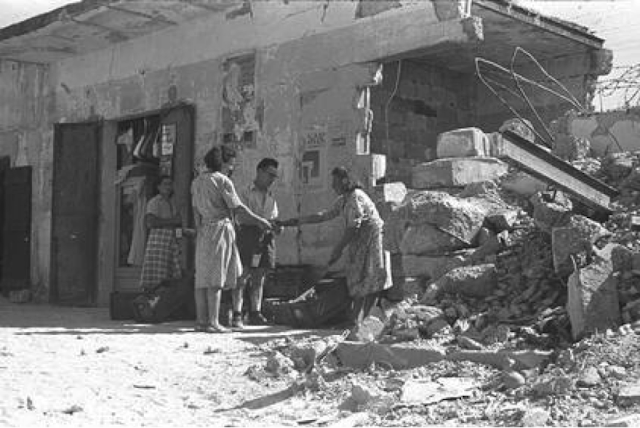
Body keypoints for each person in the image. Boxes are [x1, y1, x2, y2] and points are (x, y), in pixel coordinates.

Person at [279, 167, 392, 331]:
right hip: (360, 242)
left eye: (335, 182)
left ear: (345, 181)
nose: (333, 186)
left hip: (373, 241)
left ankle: (362, 321)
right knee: (359, 281)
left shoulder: (355, 197)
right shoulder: (344, 200)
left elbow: (353, 227)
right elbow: (325, 215)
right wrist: (294, 221)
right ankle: (357, 321)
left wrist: (338, 249)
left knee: (370, 282)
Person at [191, 146, 273, 333]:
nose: (232, 168)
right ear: (223, 163)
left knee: (202, 278)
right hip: (220, 229)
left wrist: (199, 229)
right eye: (231, 164)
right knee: (216, 277)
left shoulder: (196, 182)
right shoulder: (222, 180)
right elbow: (238, 207)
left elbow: (195, 209)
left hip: (204, 230)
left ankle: (201, 321)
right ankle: (213, 322)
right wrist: (260, 220)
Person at [236, 158, 281, 325]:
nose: (272, 179)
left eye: (274, 176)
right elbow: (241, 215)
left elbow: (273, 217)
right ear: (259, 171)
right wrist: (259, 222)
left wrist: (277, 227)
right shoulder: (245, 192)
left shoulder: (271, 196)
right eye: (270, 175)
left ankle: (256, 311)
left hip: (265, 237)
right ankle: (237, 311)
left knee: (260, 275)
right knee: (243, 274)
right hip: (248, 234)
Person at [139, 175, 183, 291]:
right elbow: (150, 222)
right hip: (158, 243)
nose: (168, 187)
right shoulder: (154, 202)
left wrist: (181, 235)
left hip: (171, 241)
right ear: (158, 187)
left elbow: (178, 223)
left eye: (170, 184)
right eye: (165, 184)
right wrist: (172, 221)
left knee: (172, 275)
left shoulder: (173, 203)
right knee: (156, 276)